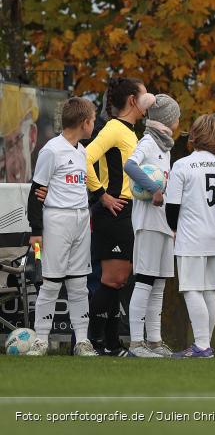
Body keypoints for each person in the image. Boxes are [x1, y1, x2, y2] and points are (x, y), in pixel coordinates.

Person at [85, 77, 155, 356]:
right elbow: (85, 157)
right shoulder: (114, 128)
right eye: (144, 96)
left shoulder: (129, 131)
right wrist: (101, 194)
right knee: (112, 279)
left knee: (119, 280)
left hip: (128, 211)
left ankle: (112, 344)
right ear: (132, 101)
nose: (148, 102)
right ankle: (91, 342)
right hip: (113, 211)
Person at [24, 97, 98, 357]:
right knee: (52, 282)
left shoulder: (82, 150)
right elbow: (36, 192)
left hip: (80, 221)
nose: (94, 124)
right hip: (57, 221)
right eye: (92, 120)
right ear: (83, 122)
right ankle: (41, 340)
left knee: (79, 284)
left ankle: (82, 341)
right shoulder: (51, 150)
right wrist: (36, 231)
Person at [165, 114, 215, 358]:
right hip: (214, 235)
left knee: (192, 289)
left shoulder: (182, 165)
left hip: (191, 235)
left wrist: (174, 227)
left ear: (194, 134)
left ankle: (202, 346)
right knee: (208, 291)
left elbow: (171, 206)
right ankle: (205, 344)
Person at [123, 94, 181, 358]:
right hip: (148, 223)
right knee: (145, 281)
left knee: (159, 283)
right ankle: (136, 344)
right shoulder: (147, 141)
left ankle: (155, 341)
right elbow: (130, 166)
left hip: (164, 225)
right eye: (177, 116)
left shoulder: (165, 147)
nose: (179, 121)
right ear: (168, 119)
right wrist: (153, 189)